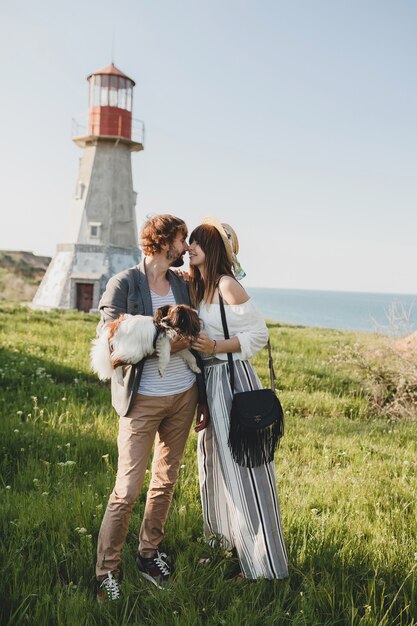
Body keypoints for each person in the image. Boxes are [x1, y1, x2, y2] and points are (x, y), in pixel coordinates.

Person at [95, 214, 209, 601]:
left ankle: (148, 554)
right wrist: (173, 344)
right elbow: (114, 346)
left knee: (165, 480)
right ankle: (106, 571)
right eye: (182, 240)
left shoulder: (182, 283)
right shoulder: (124, 284)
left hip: (184, 396)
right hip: (141, 401)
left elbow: (204, 323)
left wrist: (203, 399)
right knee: (126, 490)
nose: (186, 247)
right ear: (163, 242)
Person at [188, 216, 288, 580]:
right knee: (214, 466)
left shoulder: (228, 285)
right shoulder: (198, 288)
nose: (190, 246)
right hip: (211, 382)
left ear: (213, 248)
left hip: (234, 381)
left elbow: (259, 335)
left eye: (198, 241)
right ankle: (227, 546)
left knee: (246, 467)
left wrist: (216, 345)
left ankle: (264, 565)